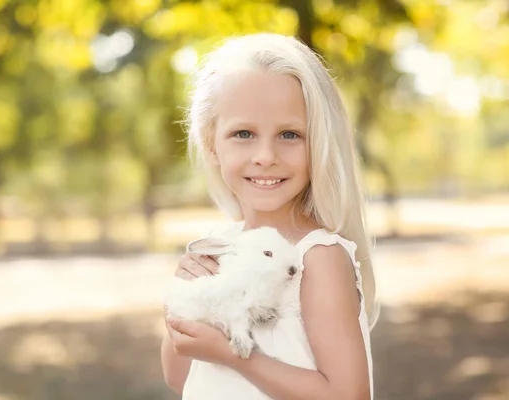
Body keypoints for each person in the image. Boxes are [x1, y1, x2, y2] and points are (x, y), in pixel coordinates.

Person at [160, 33, 379, 400]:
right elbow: (180, 377)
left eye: (289, 134)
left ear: (318, 142)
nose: (265, 155)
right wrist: (182, 304)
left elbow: (348, 395)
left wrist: (235, 355)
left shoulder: (317, 257)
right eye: (243, 133)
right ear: (212, 142)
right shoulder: (219, 248)